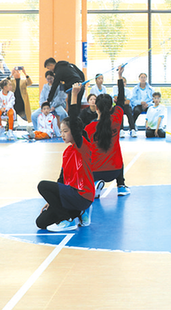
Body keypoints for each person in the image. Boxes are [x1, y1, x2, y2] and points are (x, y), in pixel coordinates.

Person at [72, 68, 130, 197]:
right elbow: (121, 99)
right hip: (115, 171)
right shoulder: (116, 118)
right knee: (117, 154)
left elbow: (74, 120)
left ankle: (94, 184)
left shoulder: (89, 128)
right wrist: (120, 76)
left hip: (95, 172)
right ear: (111, 107)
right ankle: (121, 185)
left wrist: (74, 95)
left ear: (96, 107)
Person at [35, 112, 95, 232]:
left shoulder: (82, 147)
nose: (62, 134)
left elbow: (75, 122)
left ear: (75, 131)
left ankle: (67, 220)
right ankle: (79, 212)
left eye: (65, 131)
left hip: (82, 195)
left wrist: (73, 100)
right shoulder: (67, 152)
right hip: (70, 196)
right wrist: (52, 200)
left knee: (42, 185)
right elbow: (61, 179)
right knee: (41, 222)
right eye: (61, 131)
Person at [129, 72, 154, 138]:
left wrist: (148, 104)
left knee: (151, 111)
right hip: (138, 104)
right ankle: (132, 127)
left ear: (146, 78)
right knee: (136, 111)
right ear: (139, 78)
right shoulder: (135, 89)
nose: (143, 79)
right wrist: (140, 102)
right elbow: (133, 100)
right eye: (141, 77)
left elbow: (153, 99)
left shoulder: (150, 88)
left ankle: (150, 127)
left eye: (144, 77)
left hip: (148, 105)